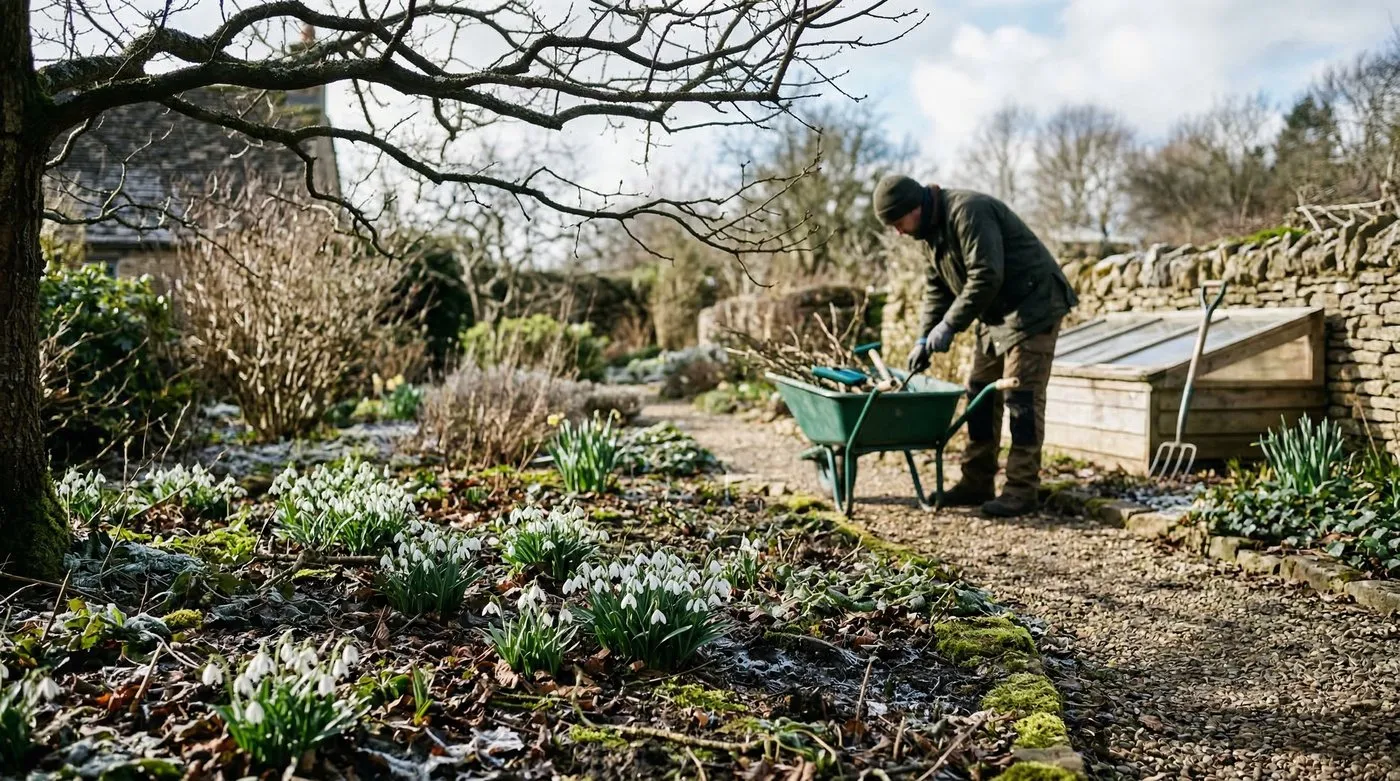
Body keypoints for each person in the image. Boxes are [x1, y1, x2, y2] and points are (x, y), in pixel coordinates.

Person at [872, 174, 1077, 517]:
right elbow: (937, 288)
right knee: (979, 395)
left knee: (1021, 397)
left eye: (898, 222)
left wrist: (951, 325)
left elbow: (986, 274)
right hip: (996, 314)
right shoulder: (929, 234)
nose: (898, 231)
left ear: (914, 207)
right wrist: (925, 336)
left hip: (1033, 305)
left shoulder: (968, 211)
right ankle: (976, 481)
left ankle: (1021, 490)